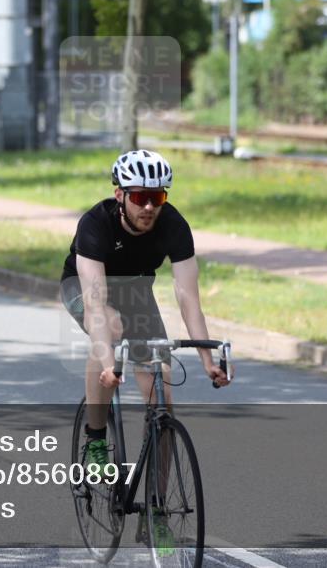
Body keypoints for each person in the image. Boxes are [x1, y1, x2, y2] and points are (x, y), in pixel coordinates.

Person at [61, 149, 231, 469]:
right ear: (120, 195)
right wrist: (110, 364)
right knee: (110, 325)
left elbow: (189, 300)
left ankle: (158, 509)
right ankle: (95, 439)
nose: (149, 207)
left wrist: (208, 361)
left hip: (135, 293)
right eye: (140, 197)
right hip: (84, 289)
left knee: (162, 396)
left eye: (157, 197)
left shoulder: (174, 226)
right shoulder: (95, 224)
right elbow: (96, 304)